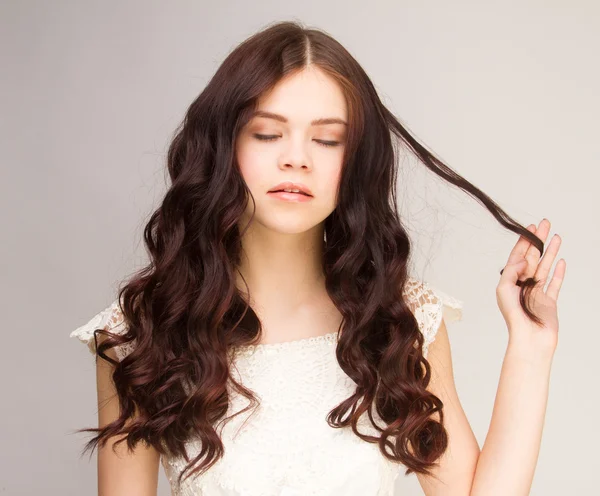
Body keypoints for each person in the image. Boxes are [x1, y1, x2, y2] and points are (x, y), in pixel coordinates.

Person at [70, 20, 565, 496]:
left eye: (327, 139)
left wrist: (530, 348)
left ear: (355, 163)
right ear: (222, 147)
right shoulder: (140, 334)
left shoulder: (399, 322)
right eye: (267, 133)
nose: (297, 158)